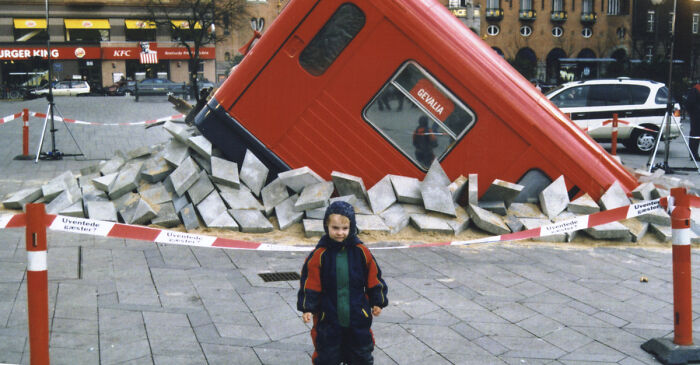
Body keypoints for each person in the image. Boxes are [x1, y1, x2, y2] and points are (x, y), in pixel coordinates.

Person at [298, 201, 388, 365]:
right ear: (326, 226)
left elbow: (374, 276)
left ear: (351, 227)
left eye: (345, 228)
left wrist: (378, 301)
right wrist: (307, 307)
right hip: (328, 316)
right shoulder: (320, 254)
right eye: (335, 228)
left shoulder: (361, 251)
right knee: (327, 355)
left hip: (357, 314)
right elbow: (310, 282)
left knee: (361, 353)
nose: (340, 233)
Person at [686, 81, 700, 160]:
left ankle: (694, 154)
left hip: (696, 115)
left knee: (696, 135)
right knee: (695, 135)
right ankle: (693, 154)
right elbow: (689, 103)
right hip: (697, 116)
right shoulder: (696, 89)